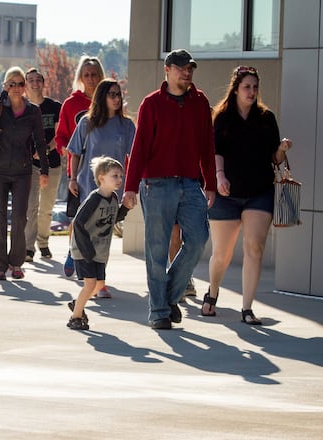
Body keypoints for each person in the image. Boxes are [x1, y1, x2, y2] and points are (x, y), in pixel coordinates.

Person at [121, 49, 217, 330]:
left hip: (190, 183)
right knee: (157, 250)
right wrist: (130, 187)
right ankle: (159, 312)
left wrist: (210, 183)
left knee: (198, 239)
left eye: (190, 69)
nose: (187, 73)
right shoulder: (152, 104)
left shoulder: (200, 102)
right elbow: (138, 148)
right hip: (156, 184)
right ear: (168, 69)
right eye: (181, 68)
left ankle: (169, 296)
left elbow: (207, 147)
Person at [203, 65, 293, 325]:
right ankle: (213, 291)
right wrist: (219, 176)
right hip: (227, 193)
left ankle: (247, 308)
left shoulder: (266, 118)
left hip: (259, 192)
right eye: (247, 87)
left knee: (255, 248)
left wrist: (282, 149)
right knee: (222, 253)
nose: (252, 92)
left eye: (255, 87)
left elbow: (275, 159)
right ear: (236, 89)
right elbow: (216, 151)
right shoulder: (222, 117)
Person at [66, 78, 135, 299]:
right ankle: (95, 279)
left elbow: (134, 157)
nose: (116, 99)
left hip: (114, 187)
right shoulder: (87, 123)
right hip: (89, 184)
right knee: (91, 230)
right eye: (112, 94)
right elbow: (75, 152)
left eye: (118, 94)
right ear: (102, 97)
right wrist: (72, 178)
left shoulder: (126, 126)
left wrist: (133, 185)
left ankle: (89, 270)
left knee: (103, 233)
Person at [0, 66, 49, 280]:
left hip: (22, 171)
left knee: (20, 218)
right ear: (5, 86)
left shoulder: (33, 111)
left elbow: (40, 141)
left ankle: (16, 264)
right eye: (11, 83)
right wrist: (2, 96)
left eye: (20, 84)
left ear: (25, 87)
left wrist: (45, 170)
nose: (16, 87)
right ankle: (0, 267)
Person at [55, 55, 105, 278]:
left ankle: (92, 262)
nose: (91, 78)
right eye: (87, 75)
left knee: (99, 221)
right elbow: (61, 136)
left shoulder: (108, 103)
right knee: (78, 218)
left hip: (104, 174)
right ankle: (73, 252)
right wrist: (66, 148)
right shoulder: (71, 104)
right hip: (78, 172)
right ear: (80, 78)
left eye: (94, 74)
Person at [66, 156, 128, 330]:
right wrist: (86, 250)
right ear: (101, 178)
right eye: (114, 176)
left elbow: (113, 218)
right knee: (90, 284)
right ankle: (75, 317)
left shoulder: (114, 198)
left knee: (97, 285)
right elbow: (78, 223)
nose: (119, 179)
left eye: (120, 176)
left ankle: (78, 304)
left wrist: (126, 208)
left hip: (100, 251)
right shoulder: (94, 198)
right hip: (85, 250)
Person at [23, 68, 62, 262]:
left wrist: (45, 149)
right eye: (30, 80)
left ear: (43, 83)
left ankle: (43, 243)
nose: (35, 83)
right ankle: (28, 248)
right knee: (31, 207)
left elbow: (59, 135)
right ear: (25, 84)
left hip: (52, 163)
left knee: (46, 207)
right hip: (29, 165)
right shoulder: (21, 107)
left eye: (38, 79)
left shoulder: (54, 106)